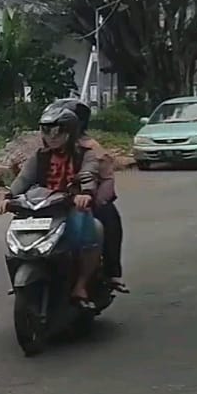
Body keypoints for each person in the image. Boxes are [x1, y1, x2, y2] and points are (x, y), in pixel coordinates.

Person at [1, 102, 104, 308]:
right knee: (18, 236)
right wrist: (8, 196)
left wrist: (84, 194)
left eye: (58, 131)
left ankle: (81, 285)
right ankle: (25, 276)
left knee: (90, 233)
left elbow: (89, 174)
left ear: (71, 132)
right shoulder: (40, 156)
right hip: (41, 207)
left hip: (70, 206)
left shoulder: (85, 154)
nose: (52, 136)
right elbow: (24, 179)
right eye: (47, 131)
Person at [65, 100, 128, 293]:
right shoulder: (48, 146)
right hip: (55, 199)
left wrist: (95, 200)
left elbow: (107, 179)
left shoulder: (92, 149)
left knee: (110, 220)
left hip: (85, 199)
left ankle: (111, 272)